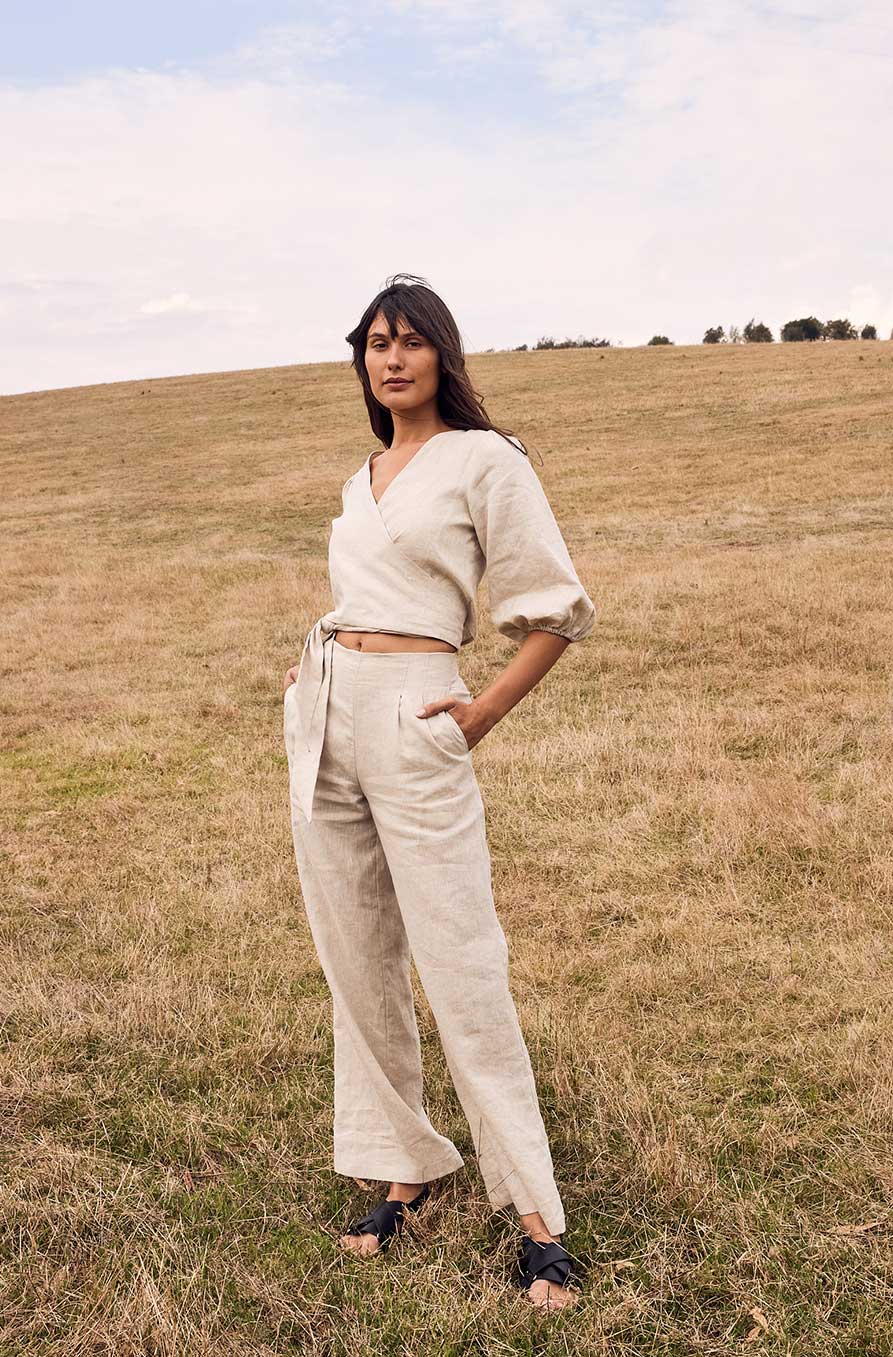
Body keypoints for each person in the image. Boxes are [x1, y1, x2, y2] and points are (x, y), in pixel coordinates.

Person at [281, 274, 596, 1311]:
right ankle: (404, 1168)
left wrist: (481, 712)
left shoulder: (485, 459)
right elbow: (361, 595)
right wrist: (313, 676)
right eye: (376, 342)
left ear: (441, 354)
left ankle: (536, 1216)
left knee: (462, 959)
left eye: (411, 341)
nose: (392, 357)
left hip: (420, 713)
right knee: (356, 957)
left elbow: (554, 609)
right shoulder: (363, 474)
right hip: (327, 713)